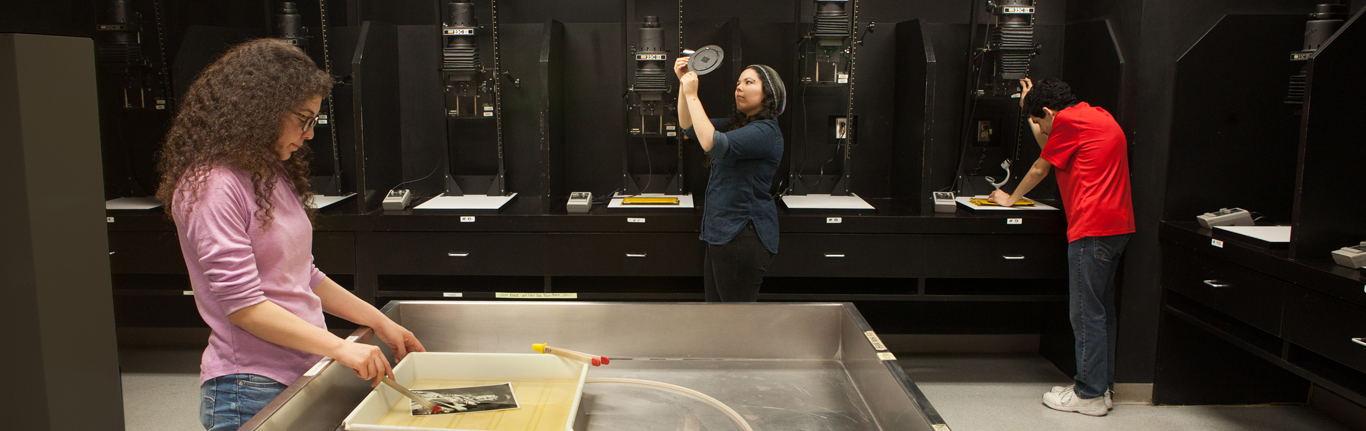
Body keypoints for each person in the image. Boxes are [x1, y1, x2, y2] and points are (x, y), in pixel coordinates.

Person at [155, 39, 426, 431]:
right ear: (259, 108)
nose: (309, 133)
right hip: (247, 386)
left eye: (313, 120)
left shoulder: (267, 171)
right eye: (303, 119)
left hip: (301, 368)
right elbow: (245, 308)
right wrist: (341, 348)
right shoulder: (213, 185)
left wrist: (379, 322)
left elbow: (304, 276)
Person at [990, 77, 1134, 416]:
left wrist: (1010, 199)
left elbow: (1042, 165)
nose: (1040, 127)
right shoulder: (1095, 116)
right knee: (1101, 312)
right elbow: (1050, 140)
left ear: (1050, 112)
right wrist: (1030, 110)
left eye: (1039, 119)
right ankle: (1102, 387)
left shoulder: (1068, 121)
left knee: (1084, 313)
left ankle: (1089, 395)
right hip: (1118, 228)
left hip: (1092, 228)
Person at [675, 57, 786, 302]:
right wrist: (684, 85)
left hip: (743, 236)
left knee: (737, 323)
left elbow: (711, 142)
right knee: (720, 320)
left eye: (749, 82)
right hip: (722, 233)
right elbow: (689, 126)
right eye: (738, 82)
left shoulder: (765, 132)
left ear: (769, 94)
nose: (739, 87)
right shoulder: (737, 125)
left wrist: (694, 94)